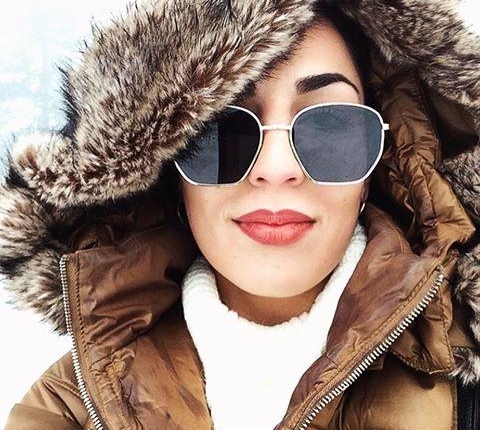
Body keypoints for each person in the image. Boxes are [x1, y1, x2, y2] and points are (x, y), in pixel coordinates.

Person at [1, 0, 479, 429]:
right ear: (170, 173)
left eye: (330, 125)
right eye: (223, 132)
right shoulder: (66, 408)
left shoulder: (466, 377)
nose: (277, 168)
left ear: (374, 167)